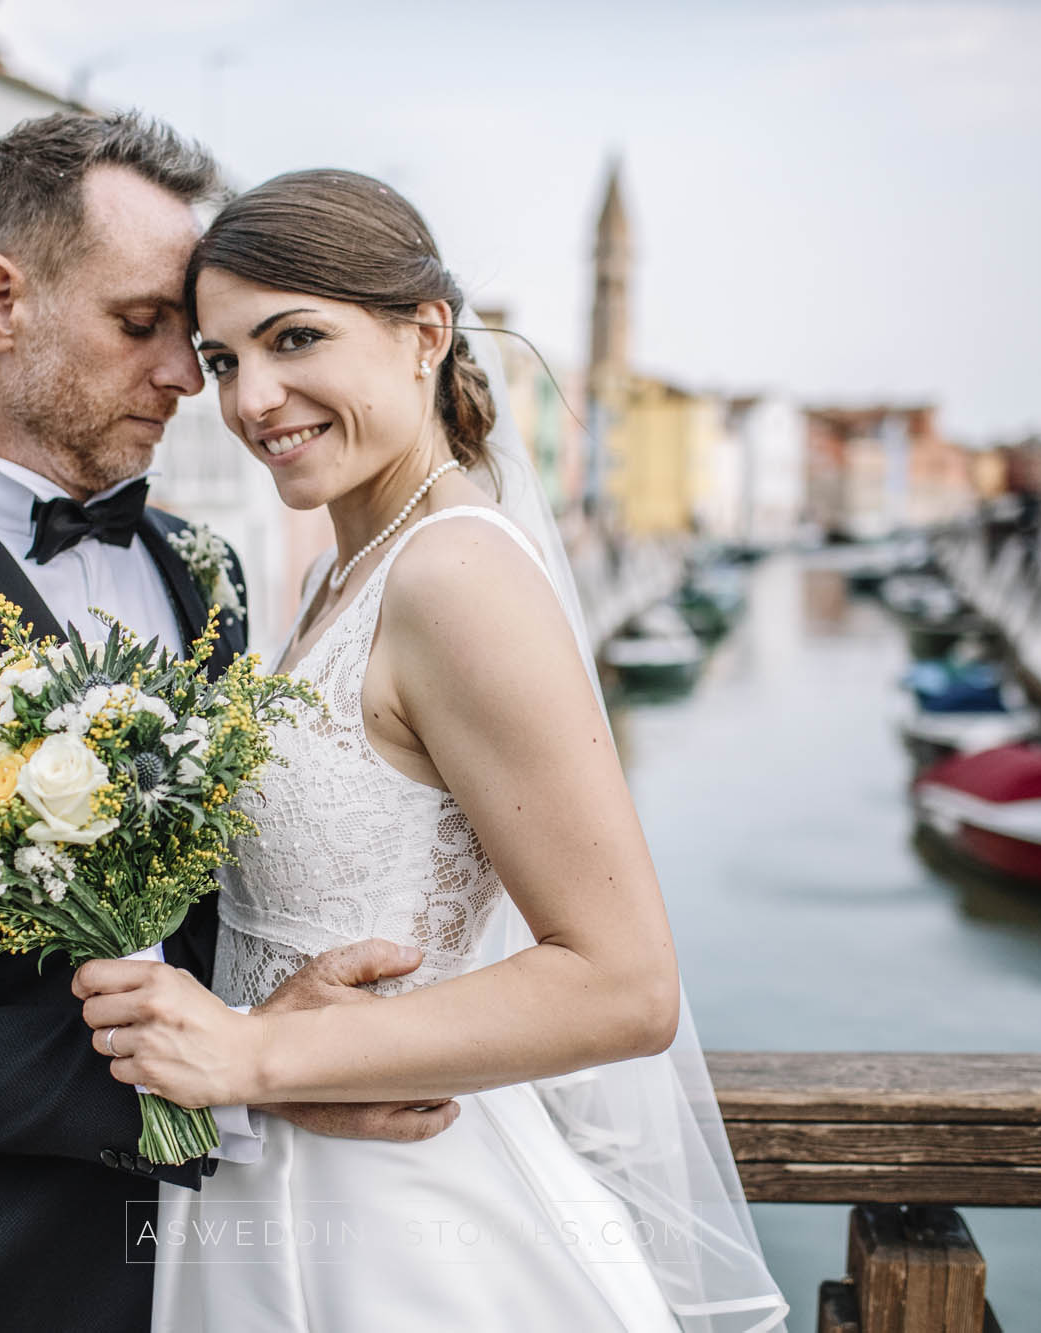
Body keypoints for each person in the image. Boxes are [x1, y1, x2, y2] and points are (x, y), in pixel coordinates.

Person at [0, 116, 453, 1332]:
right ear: (0, 299)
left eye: (194, 337)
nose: (188, 375)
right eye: (141, 326)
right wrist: (238, 1076)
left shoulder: (208, 570)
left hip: (236, 1257)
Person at [74, 170, 788, 1332]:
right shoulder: (327, 576)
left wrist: (253, 1060)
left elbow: (624, 984)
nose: (253, 398)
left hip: (408, 1228)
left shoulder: (454, 575)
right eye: (221, 361)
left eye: (293, 338)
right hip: (276, 1183)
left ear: (424, 333)